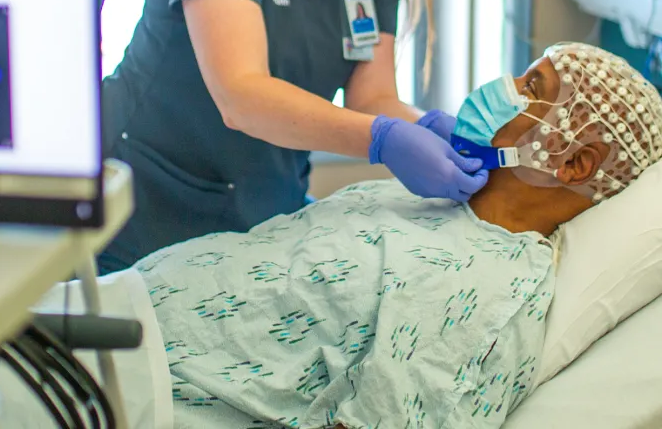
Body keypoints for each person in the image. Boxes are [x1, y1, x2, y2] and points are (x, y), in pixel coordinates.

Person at [133, 42, 662, 428]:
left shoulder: (487, 296)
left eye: (531, 88)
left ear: (574, 162)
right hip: (129, 307)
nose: (506, 86)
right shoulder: (428, 195)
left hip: (132, 383)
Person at [99, 0, 486, 274]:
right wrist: (382, 140)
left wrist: (432, 128)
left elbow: (372, 98)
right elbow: (241, 96)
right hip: (144, 200)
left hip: (261, 213)